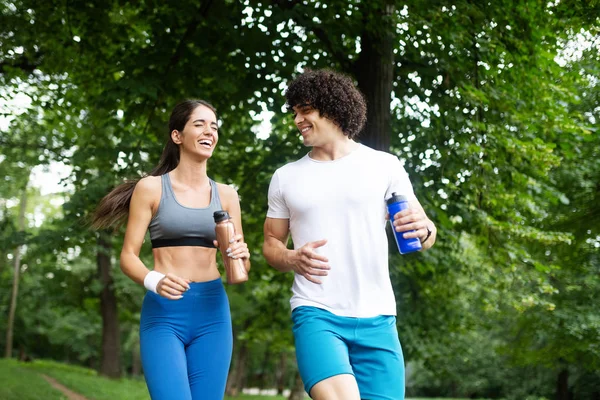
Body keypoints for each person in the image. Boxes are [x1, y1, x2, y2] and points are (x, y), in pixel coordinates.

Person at [262, 69, 437, 400]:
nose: (297, 119)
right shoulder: (286, 177)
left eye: (305, 110)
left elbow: (425, 230)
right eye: (295, 112)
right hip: (316, 312)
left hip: (379, 317)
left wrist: (425, 230)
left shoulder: (385, 166)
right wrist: (291, 257)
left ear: (333, 108)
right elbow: (271, 244)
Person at [93, 99, 251, 400]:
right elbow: (128, 256)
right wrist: (155, 280)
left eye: (214, 126)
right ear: (177, 136)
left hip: (213, 313)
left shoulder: (228, 195)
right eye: (200, 124)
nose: (210, 131)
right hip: (164, 314)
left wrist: (242, 256)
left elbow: (240, 266)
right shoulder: (151, 188)